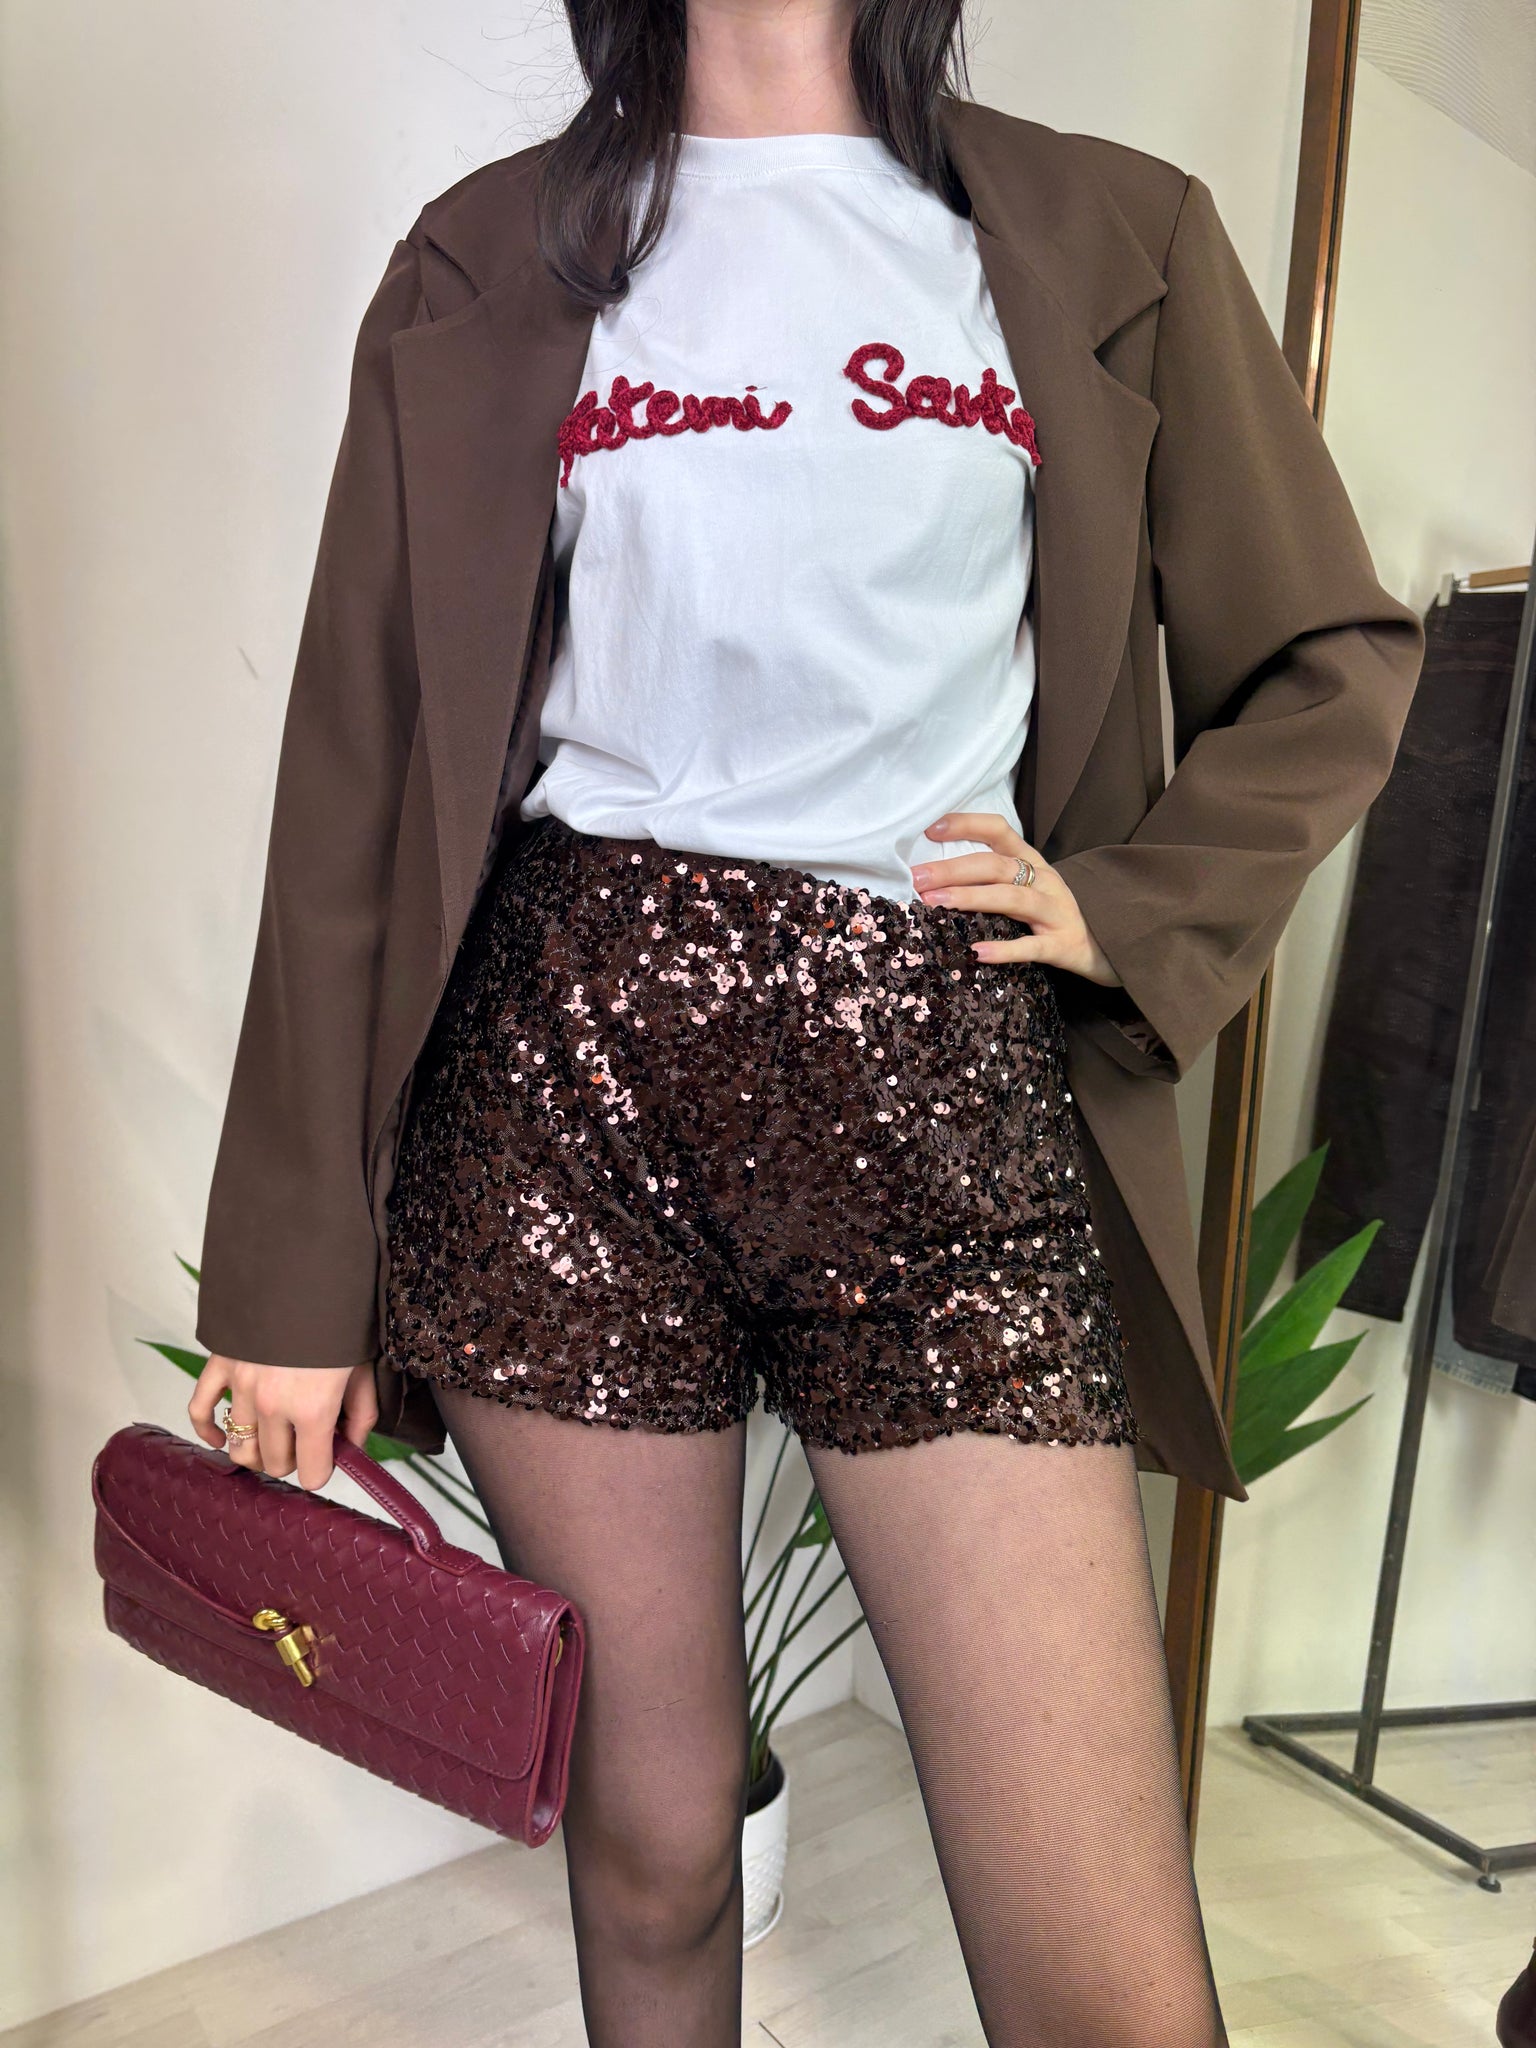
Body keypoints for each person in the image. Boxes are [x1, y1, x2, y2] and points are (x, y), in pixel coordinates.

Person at [185, 2, 1426, 2042]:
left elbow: (1330, 656)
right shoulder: (483, 255)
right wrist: (289, 1272)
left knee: (1106, 1977)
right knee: (658, 1849)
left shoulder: (1117, 235)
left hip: (935, 1078)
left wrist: (1132, 907)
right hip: (560, 1095)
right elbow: (356, 772)